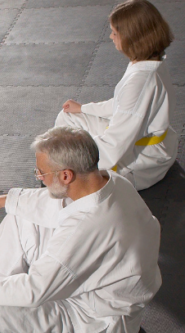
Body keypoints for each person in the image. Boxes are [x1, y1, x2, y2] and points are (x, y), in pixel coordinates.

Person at [0, 127, 161, 333]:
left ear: (66, 175)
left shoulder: (85, 227)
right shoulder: (111, 181)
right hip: (91, 283)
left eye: (41, 173)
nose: (40, 178)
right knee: (19, 217)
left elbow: (35, 290)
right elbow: (51, 204)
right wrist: (0, 201)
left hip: (94, 324)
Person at [55, 0, 176, 191]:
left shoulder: (139, 83)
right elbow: (122, 106)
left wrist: (67, 160)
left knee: (75, 174)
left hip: (142, 159)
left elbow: (114, 148)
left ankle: (64, 169)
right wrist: (84, 109)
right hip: (146, 141)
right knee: (68, 117)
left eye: (115, 33)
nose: (111, 37)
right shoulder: (151, 61)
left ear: (131, 38)